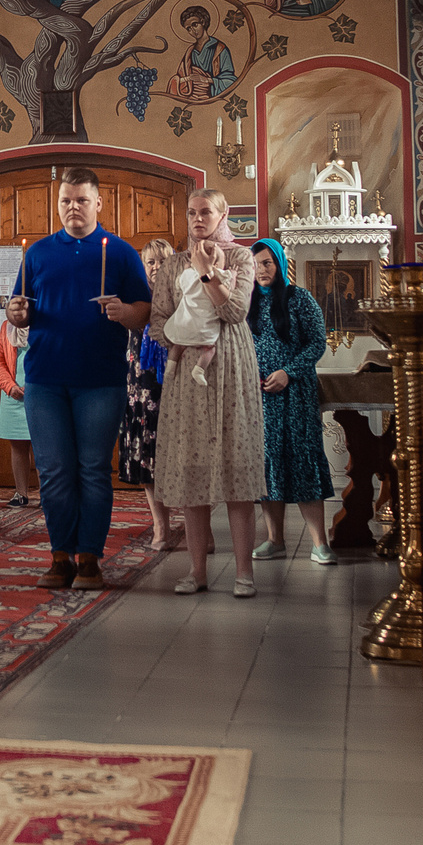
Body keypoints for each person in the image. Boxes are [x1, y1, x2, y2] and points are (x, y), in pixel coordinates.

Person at [5, 167, 153, 590]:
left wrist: (127, 314)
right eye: (66, 200)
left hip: (100, 379)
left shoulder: (121, 253)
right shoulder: (36, 253)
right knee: (52, 470)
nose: (73, 207)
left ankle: (89, 556)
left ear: (98, 204)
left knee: (91, 469)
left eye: (81, 200)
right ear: (58, 204)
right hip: (45, 378)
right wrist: (17, 313)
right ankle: (60, 556)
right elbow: (22, 307)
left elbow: (144, 310)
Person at [152, 188, 266, 597]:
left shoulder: (240, 258)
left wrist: (206, 273)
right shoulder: (172, 265)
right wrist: (180, 337)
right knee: (191, 469)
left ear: (223, 215)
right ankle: (196, 571)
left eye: (205, 213)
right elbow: (157, 320)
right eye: (191, 213)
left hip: (231, 364)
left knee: (236, 466)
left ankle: (243, 573)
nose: (198, 219)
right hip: (188, 371)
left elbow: (235, 311)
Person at [248, 239, 335, 563]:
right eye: (256, 264)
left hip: (296, 394)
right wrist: (253, 375)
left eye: (267, 263)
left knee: (303, 460)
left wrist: (288, 371)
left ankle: (319, 543)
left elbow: (317, 343)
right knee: (268, 465)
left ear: (280, 264)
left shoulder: (300, 299)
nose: (261, 270)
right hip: (261, 397)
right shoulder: (248, 303)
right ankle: (274, 539)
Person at [118, 238, 181, 551]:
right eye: (150, 263)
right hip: (140, 388)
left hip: (174, 385)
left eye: (161, 261)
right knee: (146, 460)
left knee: (182, 459)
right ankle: (160, 526)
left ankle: (199, 525)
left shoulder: (181, 296)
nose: (156, 268)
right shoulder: (134, 299)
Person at [0, 317, 36, 508]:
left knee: (43, 446)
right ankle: (21, 493)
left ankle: (49, 495)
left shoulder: (45, 323)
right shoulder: (6, 326)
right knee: (17, 445)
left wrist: (36, 385)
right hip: (14, 393)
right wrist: (9, 387)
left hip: (40, 390)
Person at [166, 5, 236, 103]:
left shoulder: (219, 49)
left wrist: (207, 80)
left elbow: (231, 80)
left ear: (203, 22)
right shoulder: (190, 52)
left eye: (195, 25)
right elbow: (180, 77)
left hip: (210, 99)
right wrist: (186, 79)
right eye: (189, 29)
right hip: (192, 98)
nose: (193, 31)